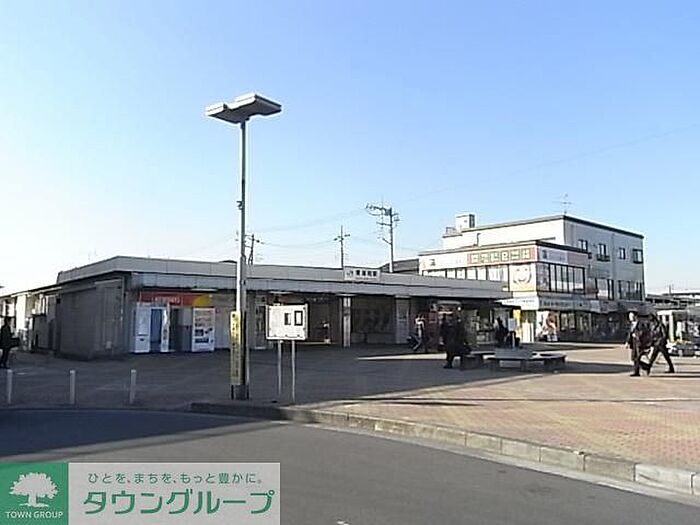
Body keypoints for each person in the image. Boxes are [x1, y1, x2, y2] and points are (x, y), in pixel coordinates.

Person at [625, 311, 646, 377]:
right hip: (633, 342)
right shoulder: (631, 324)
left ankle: (637, 372)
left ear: (635, 316)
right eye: (629, 316)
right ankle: (645, 366)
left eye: (631, 316)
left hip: (639, 342)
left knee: (637, 357)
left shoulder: (640, 324)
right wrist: (627, 342)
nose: (630, 318)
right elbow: (629, 334)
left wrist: (636, 335)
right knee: (633, 357)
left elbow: (643, 332)